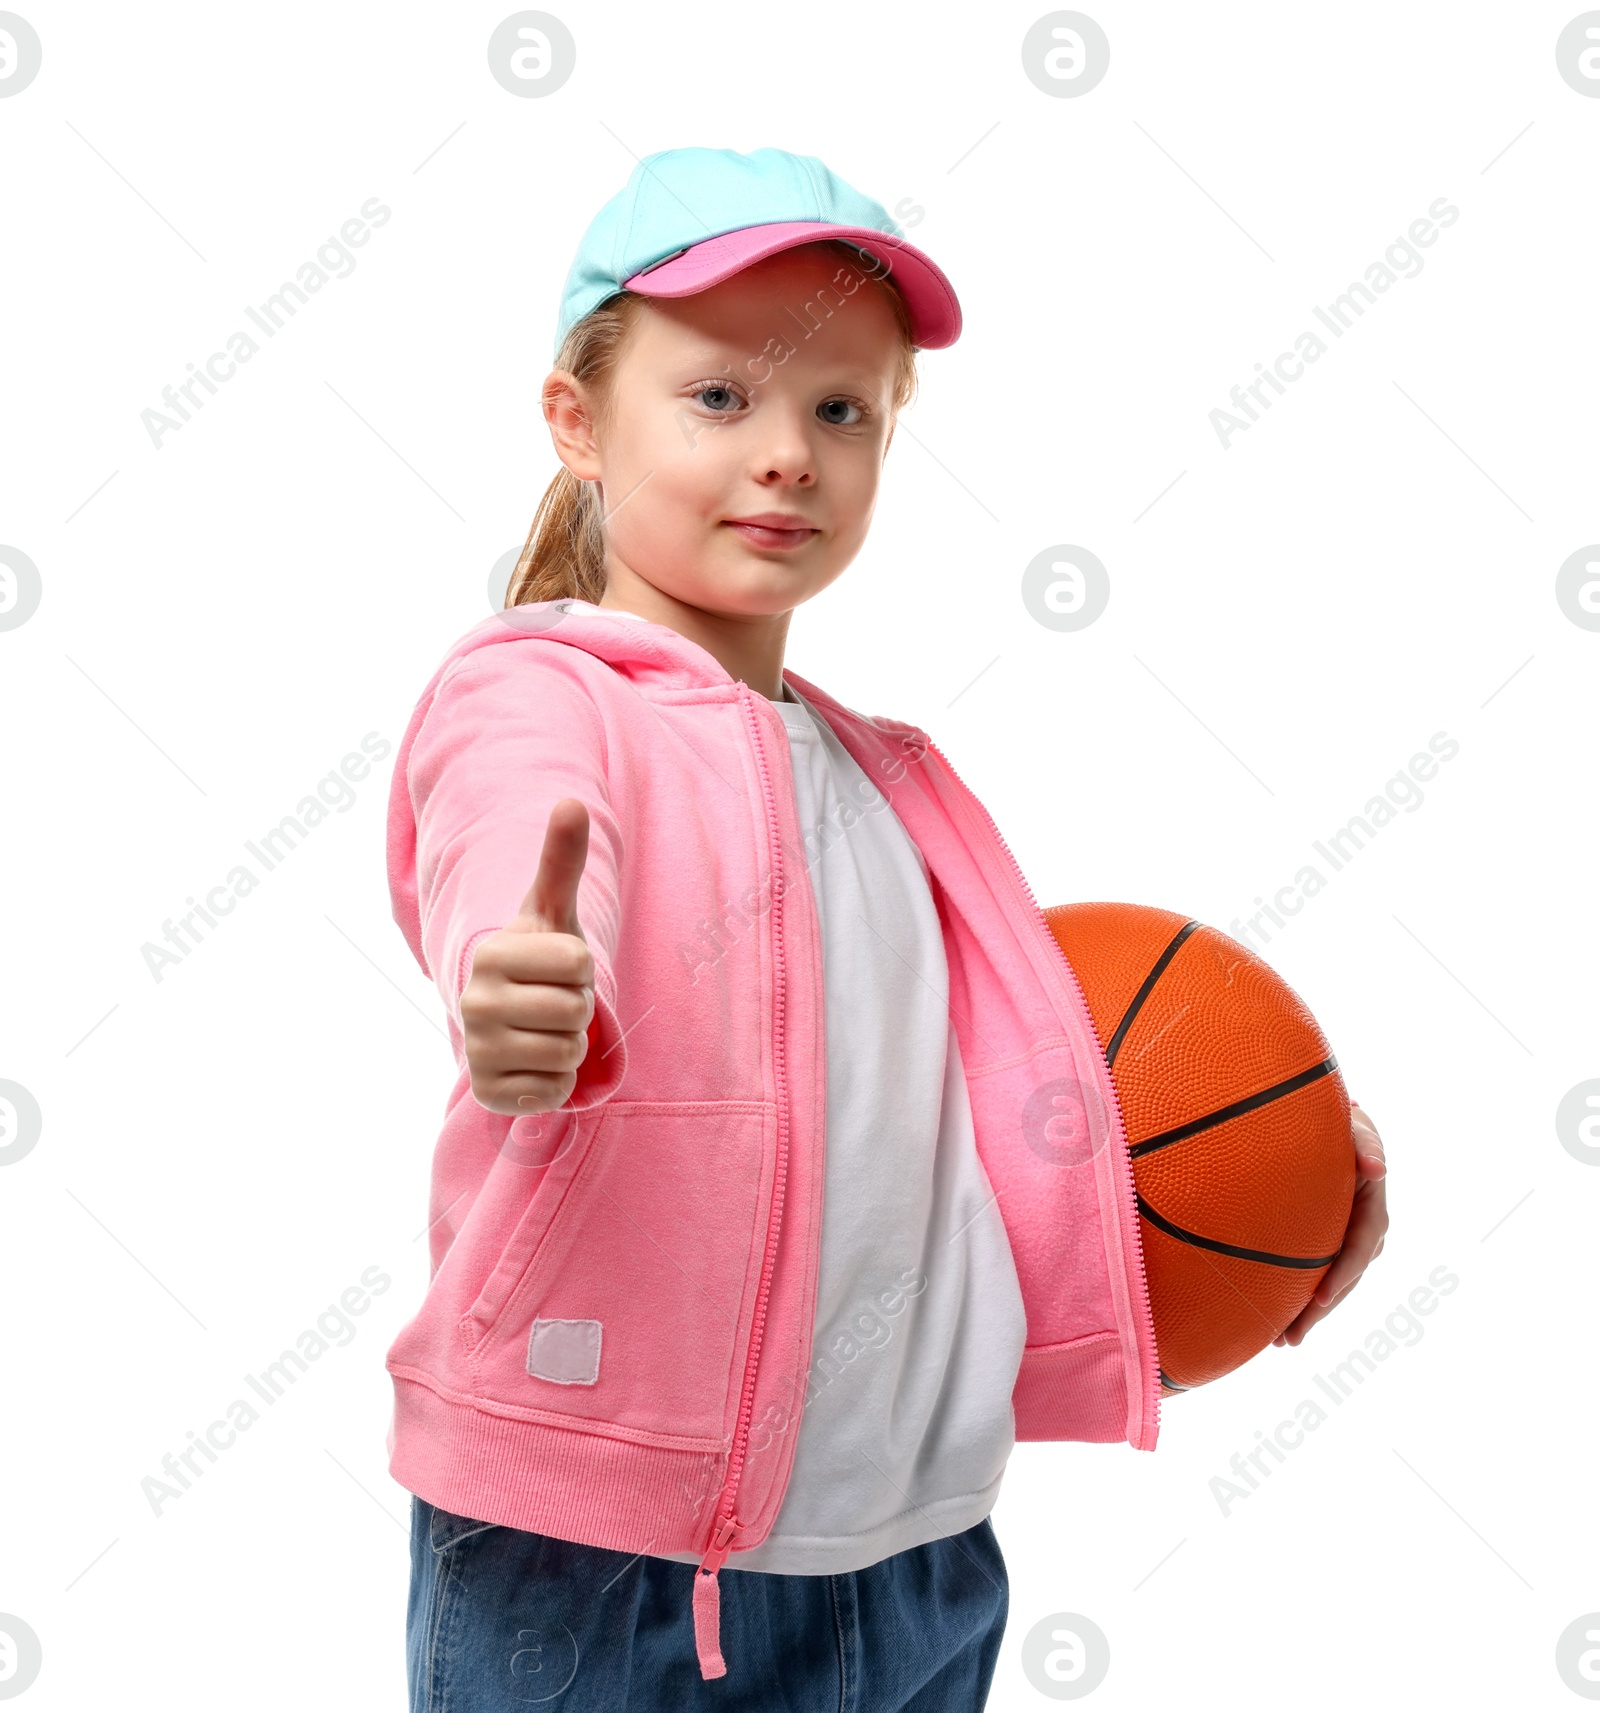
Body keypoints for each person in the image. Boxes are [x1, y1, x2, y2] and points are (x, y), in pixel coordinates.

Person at [385, 145, 1389, 1711]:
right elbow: (514, 844)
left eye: (842, 410)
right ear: (577, 421)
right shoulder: (539, 693)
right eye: (721, 397)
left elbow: (1009, 1099)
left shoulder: (893, 783)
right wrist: (516, 984)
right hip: (601, 1563)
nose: (788, 453)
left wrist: (1290, 1167)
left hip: (913, 1556)